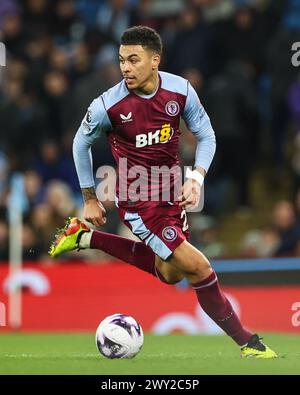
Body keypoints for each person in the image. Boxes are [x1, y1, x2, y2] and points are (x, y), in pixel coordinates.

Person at [49, 26, 277, 358]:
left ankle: (84, 238)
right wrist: (89, 197)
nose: (125, 67)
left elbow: (207, 135)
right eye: (122, 60)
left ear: (155, 60)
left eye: (133, 60)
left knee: (170, 273)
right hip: (139, 203)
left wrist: (196, 178)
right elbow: (80, 143)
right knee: (199, 268)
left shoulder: (180, 90)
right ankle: (249, 343)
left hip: (172, 196)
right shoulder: (107, 105)